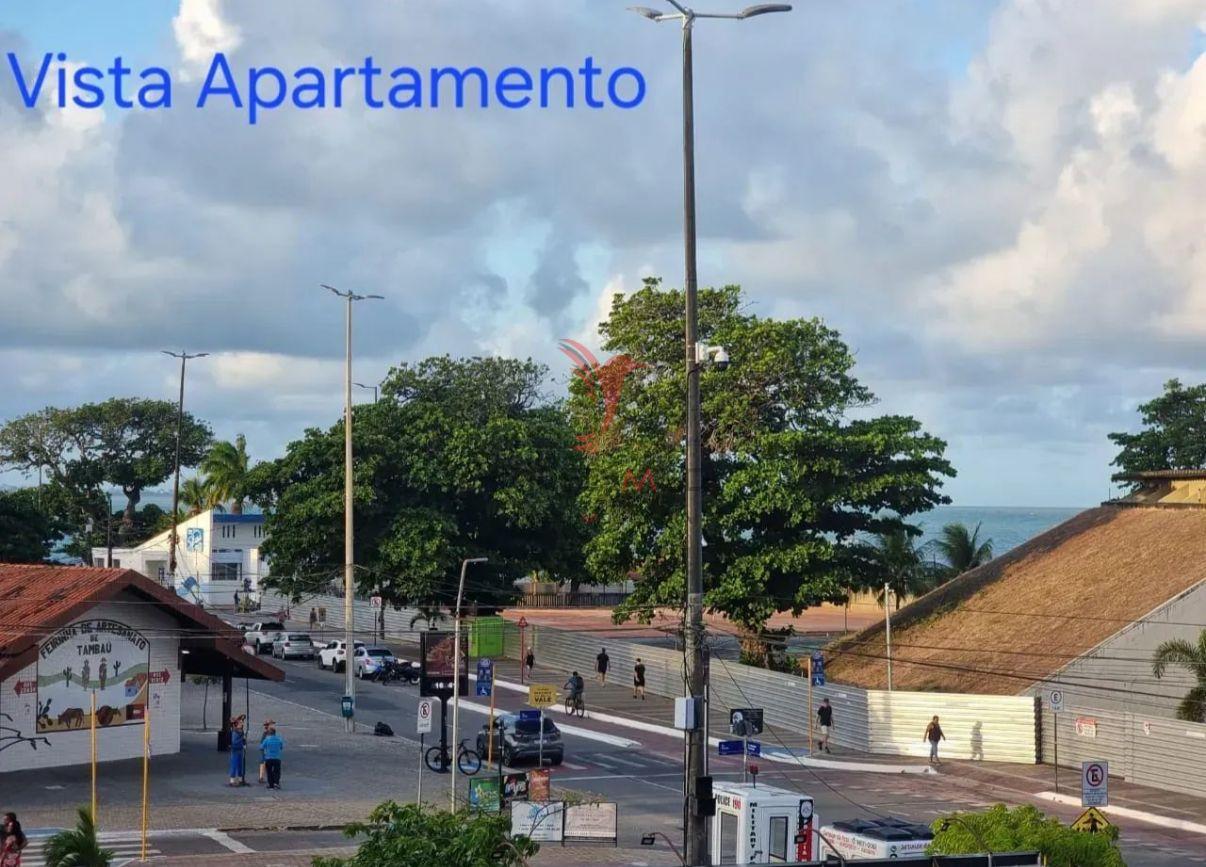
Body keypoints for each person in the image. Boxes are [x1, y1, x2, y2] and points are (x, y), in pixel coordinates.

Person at [228, 716, 247, 786]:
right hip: (236, 750)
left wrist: (244, 743)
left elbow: (243, 739)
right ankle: (232, 780)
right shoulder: (235, 732)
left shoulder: (240, 731)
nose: (242, 724)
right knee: (234, 764)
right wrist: (242, 744)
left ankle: (240, 779)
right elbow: (234, 742)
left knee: (240, 765)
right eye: (241, 722)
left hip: (240, 750)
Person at [258, 719, 275, 784]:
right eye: (272, 724)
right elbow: (262, 743)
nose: (273, 725)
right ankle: (261, 777)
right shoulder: (266, 733)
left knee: (265, 763)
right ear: (268, 725)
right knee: (264, 763)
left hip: (267, 750)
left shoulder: (270, 732)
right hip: (266, 750)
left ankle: (263, 777)